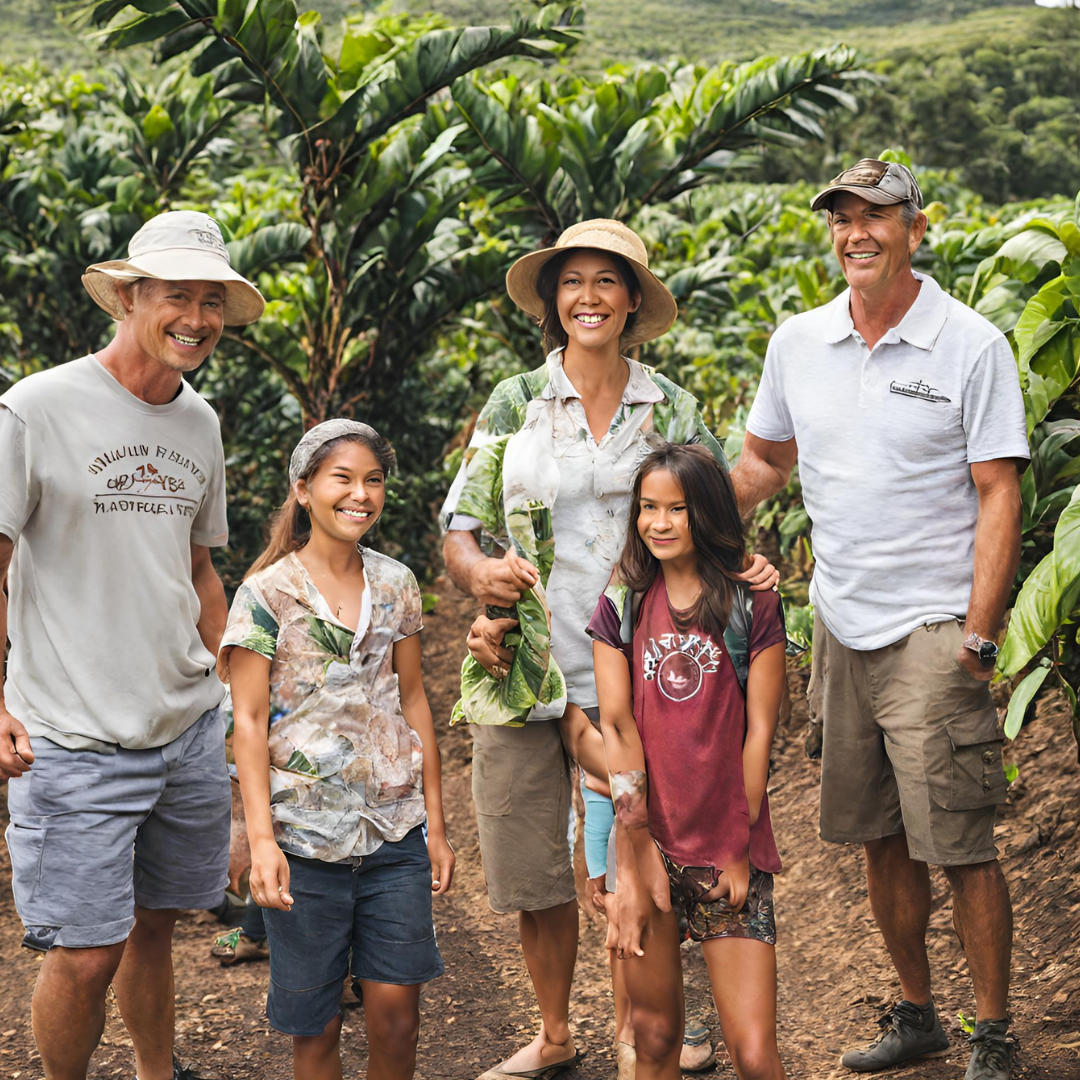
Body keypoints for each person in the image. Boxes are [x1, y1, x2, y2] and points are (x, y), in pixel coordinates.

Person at [441, 219, 778, 1080]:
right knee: (534, 870)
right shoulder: (515, 401)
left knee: (646, 845)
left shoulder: (667, 404)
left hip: (645, 667)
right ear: (554, 302)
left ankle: (646, 1031)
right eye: (571, 283)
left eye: (606, 281)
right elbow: (460, 532)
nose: (587, 298)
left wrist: (747, 566)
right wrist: (483, 583)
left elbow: (706, 513)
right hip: (525, 665)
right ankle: (555, 1033)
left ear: (633, 300)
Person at [732, 159, 1029, 1080]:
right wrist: (673, 525)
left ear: (915, 226)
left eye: (877, 216)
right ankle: (918, 1013)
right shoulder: (800, 342)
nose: (856, 232)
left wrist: (980, 637)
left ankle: (994, 1031)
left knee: (961, 841)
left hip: (936, 628)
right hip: (841, 628)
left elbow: (998, 491)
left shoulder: (969, 344)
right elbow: (764, 462)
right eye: (842, 218)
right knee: (879, 835)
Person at [0, 211, 264, 1080]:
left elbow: (199, 573)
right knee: (84, 950)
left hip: (183, 725)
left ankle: (160, 1073)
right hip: (72, 732)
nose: (196, 317)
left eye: (211, 300)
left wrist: (235, 697)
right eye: (175, 295)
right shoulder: (36, 409)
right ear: (127, 296)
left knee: (156, 923)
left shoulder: (202, 423)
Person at [220, 419, 454, 1080]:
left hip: (393, 833)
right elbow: (249, 720)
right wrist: (261, 842)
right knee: (315, 1027)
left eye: (373, 480)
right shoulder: (267, 596)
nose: (361, 495)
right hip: (303, 845)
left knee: (398, 1021)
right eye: (342, 479)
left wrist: (435, 826)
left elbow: (413, 699)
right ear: (304, 489)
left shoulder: (397, 584)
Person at [591, 443, 788, 1080]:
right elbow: (617, 727)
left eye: (678, 508)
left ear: (707, 513)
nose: (660, 522)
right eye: (648, 508)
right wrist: (638, 845)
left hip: (727, 845)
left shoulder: (749, 603)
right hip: (651, 846)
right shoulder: (620, 607)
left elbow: (759, 733)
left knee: (753, 1052)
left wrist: (736, 840)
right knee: (653, 1040)